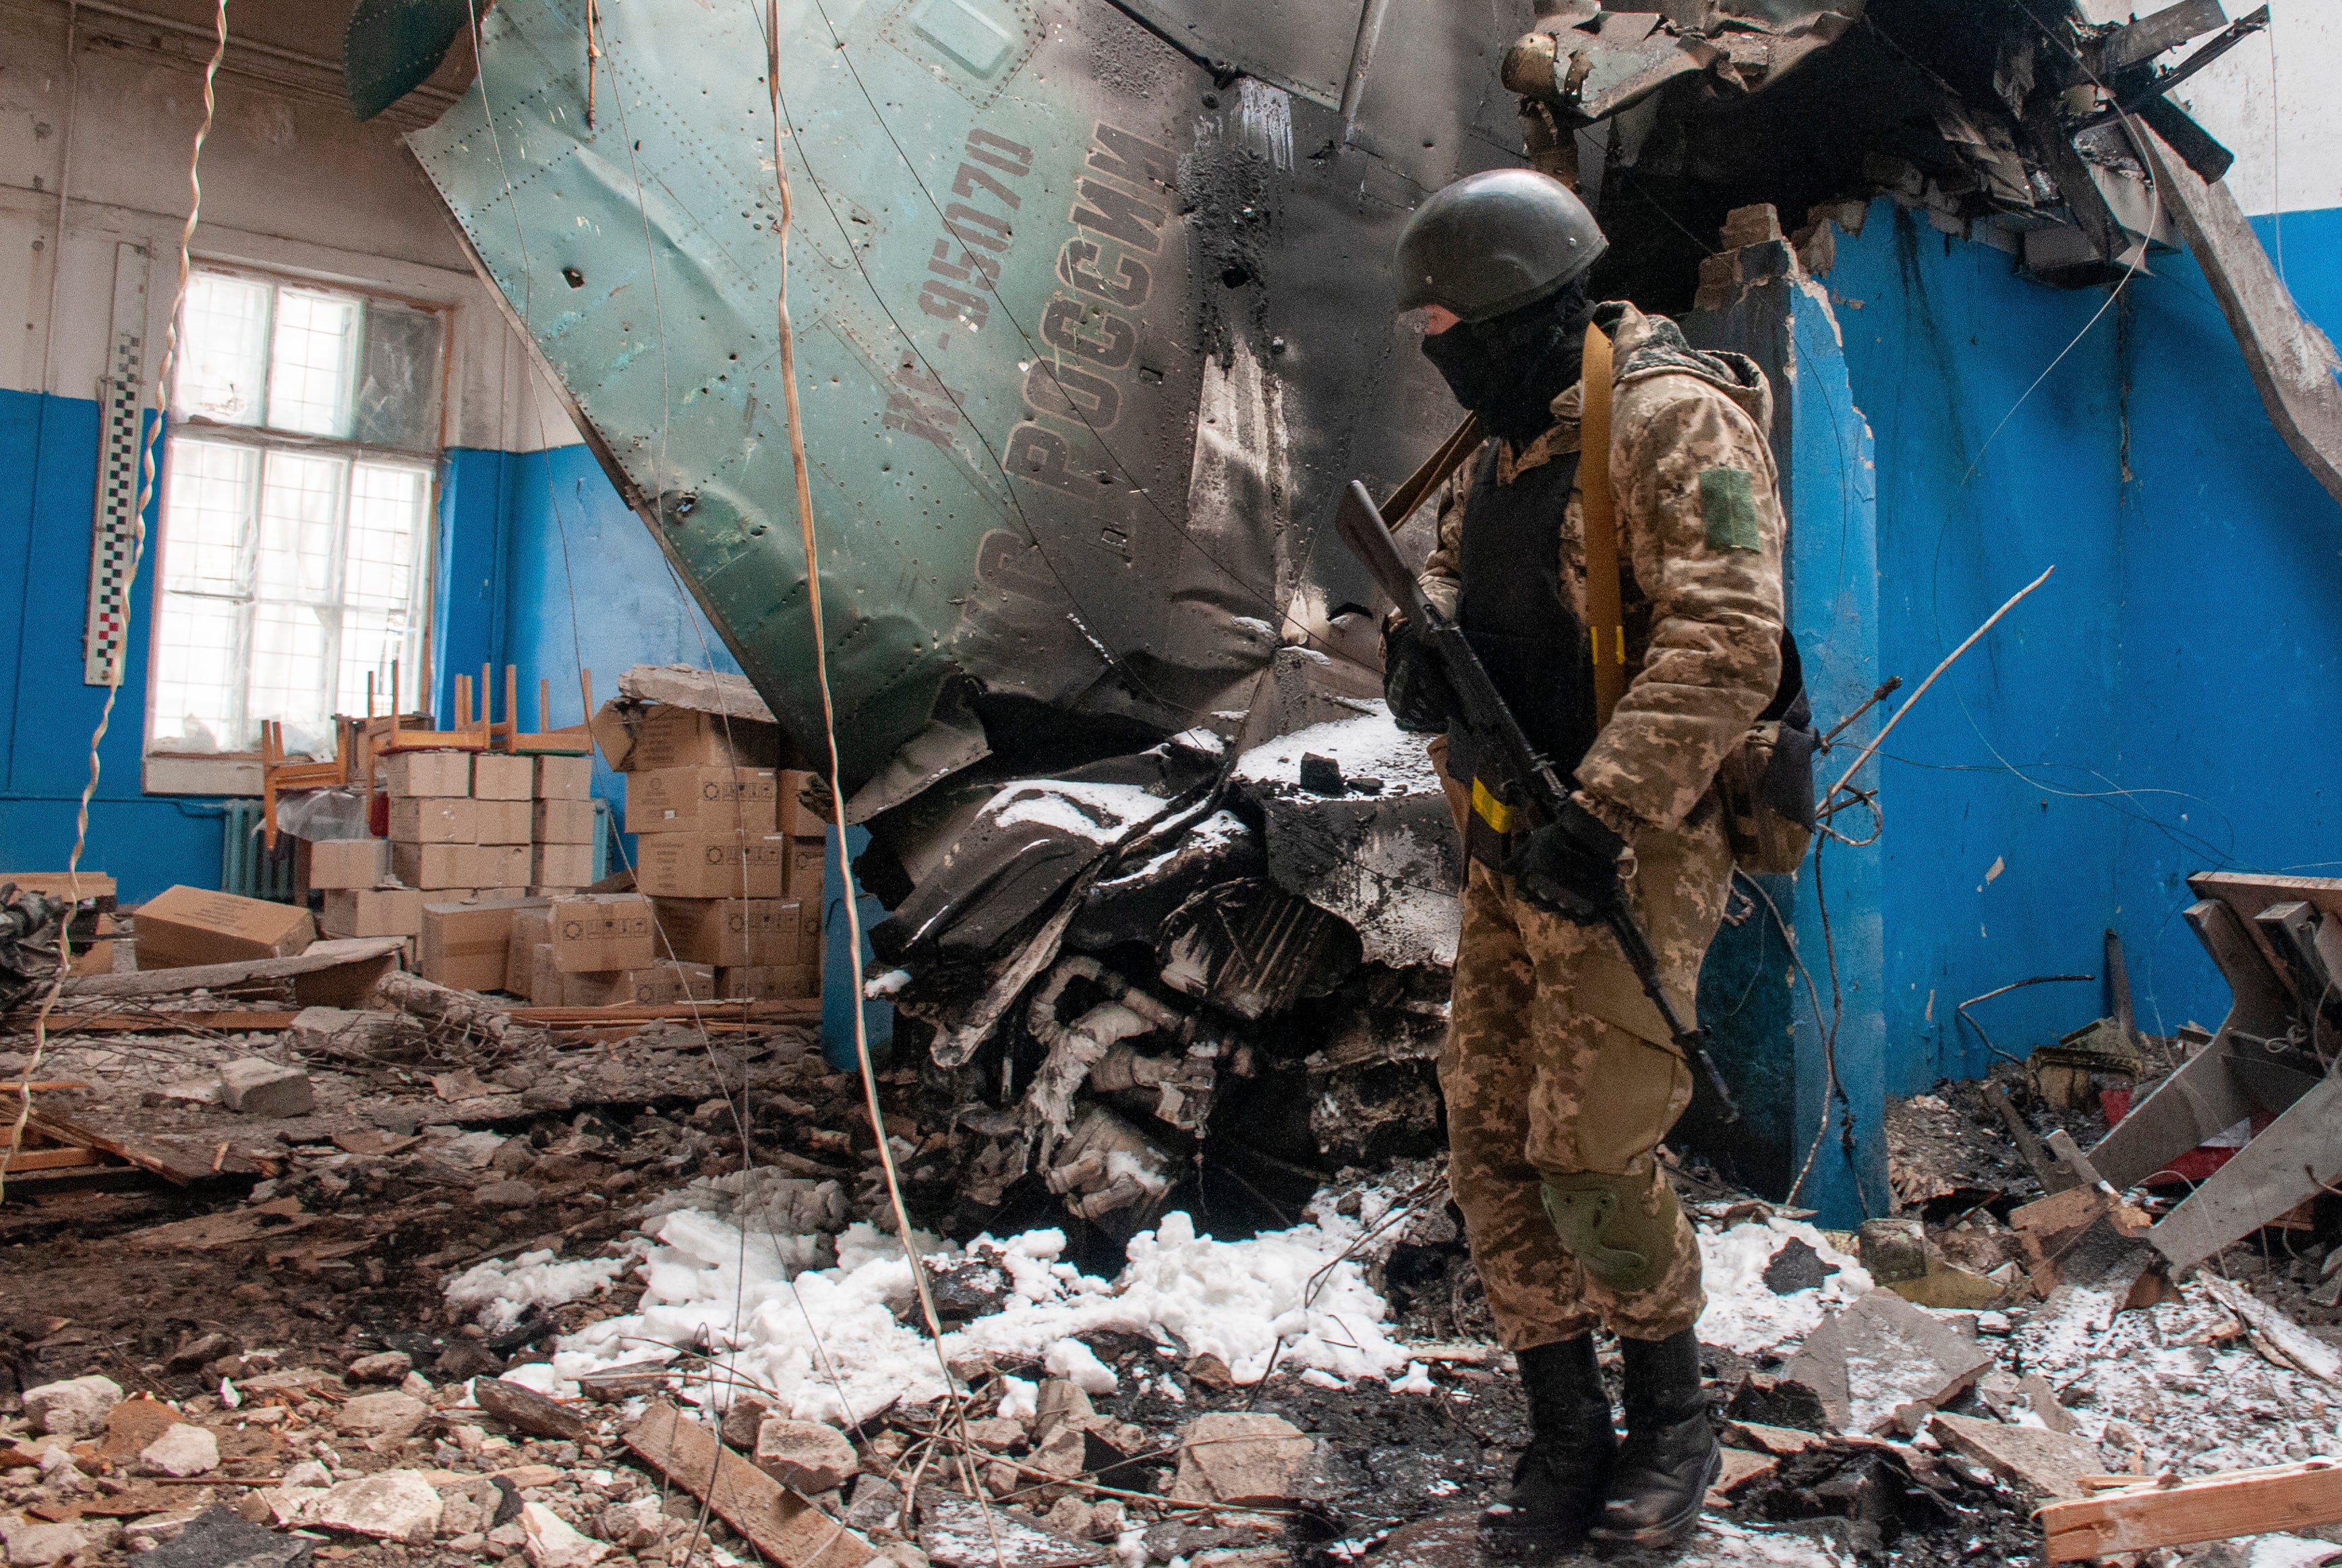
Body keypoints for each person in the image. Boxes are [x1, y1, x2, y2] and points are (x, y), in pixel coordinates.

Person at [1381, 167, 1787, 1553]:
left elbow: (1732, 635)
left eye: (1441, 324)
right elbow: (1456, 568)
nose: (1431, 354)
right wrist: (1419, 653)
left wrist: (1601, 811)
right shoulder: (1509, 439)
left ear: (1507, 314)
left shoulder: (1670, 423)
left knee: (1595, 1147)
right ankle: (1568, 1430)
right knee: (1492, 1138)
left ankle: (1675, 1420)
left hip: (1630, 848)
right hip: (1510, 844)